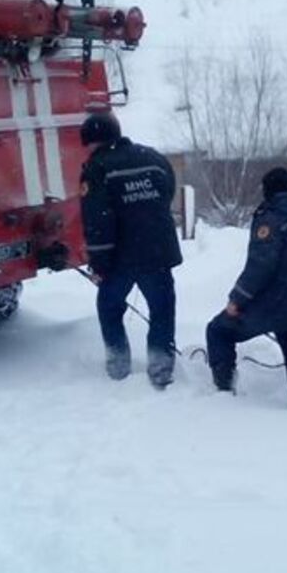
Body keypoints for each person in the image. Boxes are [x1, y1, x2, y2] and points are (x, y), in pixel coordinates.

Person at [207, 167, 287, 409]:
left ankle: (223, 394)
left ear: (267, 191)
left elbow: (260, 267)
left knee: (218, 330)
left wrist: (237, 300)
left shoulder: (271, 218)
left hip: (280, 305)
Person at [79, 111, 183, 388]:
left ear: (92, 142)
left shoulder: (97, 168)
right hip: (158, 251)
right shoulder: (153, 157)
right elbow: (167, 193)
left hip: (120, 257)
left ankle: (118, 365)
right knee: (162, 308)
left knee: (110, 308)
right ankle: (161, 366)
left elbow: (97, 220)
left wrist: (99, 263)